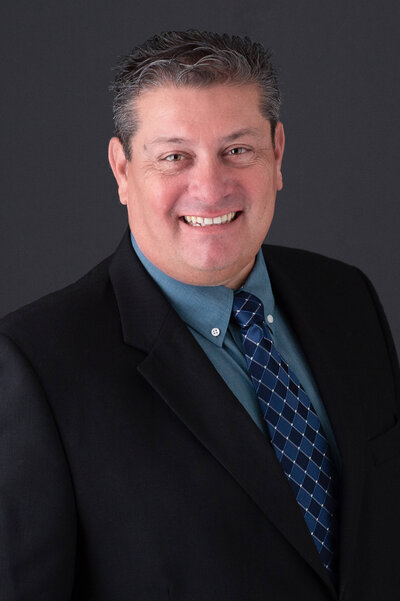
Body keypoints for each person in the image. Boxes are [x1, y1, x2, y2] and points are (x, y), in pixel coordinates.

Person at [0, 30, 399, 601]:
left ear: (278, 154)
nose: (210, 188)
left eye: (238, 150)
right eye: (174, 157)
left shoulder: (345, 297)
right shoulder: (36, 363)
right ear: (121, 169)